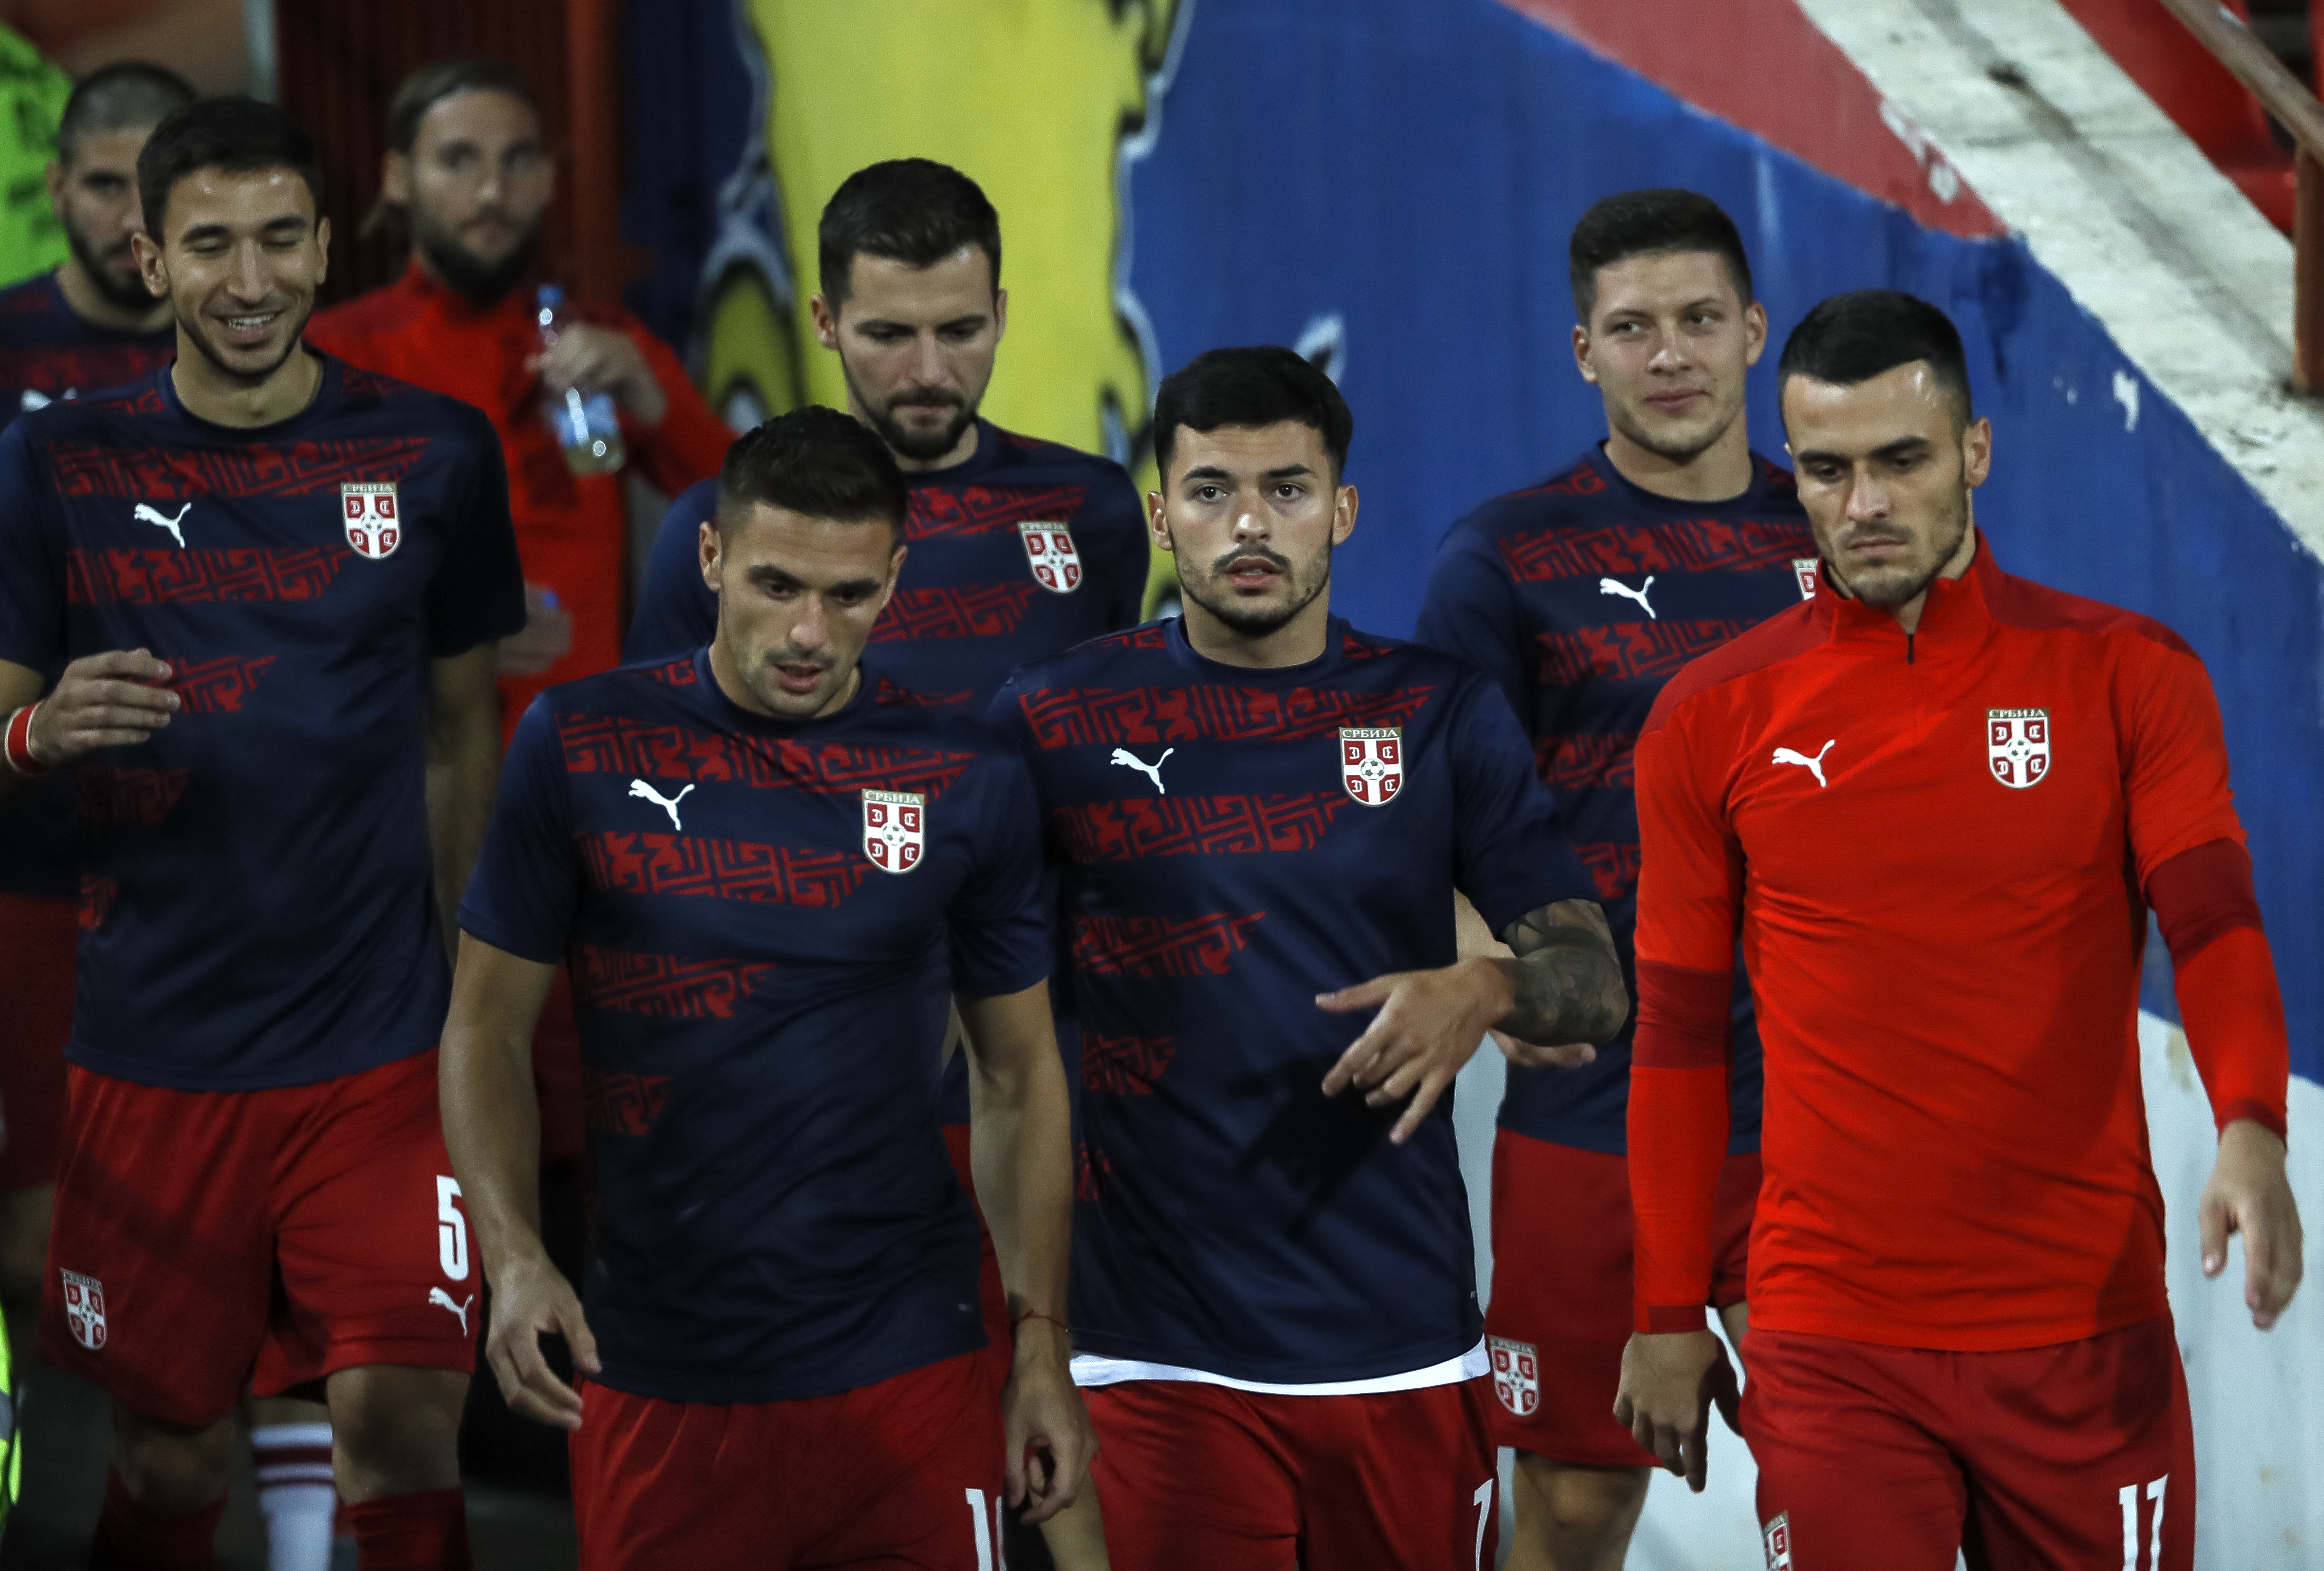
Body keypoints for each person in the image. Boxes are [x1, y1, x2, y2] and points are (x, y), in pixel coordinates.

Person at [1614, 290, 2303, 1567]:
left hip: (2082, 1332)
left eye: (1899, 460)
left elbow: (2209, 918)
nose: (1862, 501)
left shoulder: (2126, 672)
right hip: (1828, 1333)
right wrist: (1664, 1300)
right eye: (1825, 469)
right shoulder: (1710, 715)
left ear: (1974, 452)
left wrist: (2250, 1124)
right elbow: (1674, 1031)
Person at [988, 345, 1628, 1570]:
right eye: (1211, 488)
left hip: (1404, 1340)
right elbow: (984, 1030)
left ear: (1340, 509)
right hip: (1157, 1345)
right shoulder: (1052, 720)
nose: (1246, 522)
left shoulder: (1437, 711)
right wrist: (1032, 1328)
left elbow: (1593, 980)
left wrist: (1485, 984)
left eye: (1285, 489)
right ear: (1161, 514)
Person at [0, 97, 523, 1569]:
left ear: (326, 243)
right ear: (147, 255)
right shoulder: (54, 465)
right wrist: (39, 734)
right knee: (174, 1458)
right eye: (211, 244)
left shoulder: (433, 451)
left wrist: (470, 1006)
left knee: (408, 1423)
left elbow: (455, 732)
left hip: (377, 1049)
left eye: (281, 238)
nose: (250, 279)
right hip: (155, 1051)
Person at [442, 406, 1091, 1567]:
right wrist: (517, 1257)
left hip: (909, 1365)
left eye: (848, 595)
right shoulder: (578, 744)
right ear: (710, 558)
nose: (808, 630)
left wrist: (1038, 1339)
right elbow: (485, 1030)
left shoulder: (968, 777)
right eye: (776, 583)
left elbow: (1018, 1071)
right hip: (656, 1370)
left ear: (895, 578)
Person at [627, 160, 1145, 1566]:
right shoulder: (708, 540)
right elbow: (655, 806)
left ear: (1002, 314)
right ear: (822, 320)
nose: (930, 369)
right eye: (889, 333)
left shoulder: (1093, 515)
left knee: (1064, 1425)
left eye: (962, 329)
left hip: (1043, 1068)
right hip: (808, 1103)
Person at [1414, 189, 1812, 1569]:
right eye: (1632, 328)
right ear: (1583, 351)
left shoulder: (1848, 543)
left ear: (1752, 331)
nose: (1672, 354)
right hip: (1595, 1116)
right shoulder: (1505, 557)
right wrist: (1496, 963)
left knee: (1841, 1497)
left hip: (1821, 1126)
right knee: (1578, 1509)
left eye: (1700, 319)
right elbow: (1444, 826)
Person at [308, 55, 732, 731]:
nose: (490, 192)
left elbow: (755, 520)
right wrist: (442, 641)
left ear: (547, 180)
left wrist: (655, 401)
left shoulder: (608, 343)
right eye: (458, 161)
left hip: (585, 772)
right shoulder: (331, 353)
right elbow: (276, 569)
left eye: (517, 161)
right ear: (397, 178)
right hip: (401, 769)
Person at [0, 59, 193, 1312]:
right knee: (34, 1226)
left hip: (206, 847)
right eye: (108, 185)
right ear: (58, 182)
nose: (133, 220)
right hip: (24, 838)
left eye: (157, 188)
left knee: (200, 1208)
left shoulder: (247, 363)